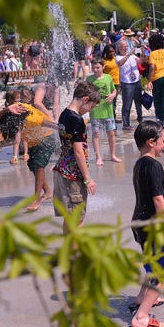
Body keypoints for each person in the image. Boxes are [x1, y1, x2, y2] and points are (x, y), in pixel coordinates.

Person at [130, 120, 164, 327]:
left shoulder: (139, 163)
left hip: (140, 222)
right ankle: (141, 317)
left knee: (153, 266)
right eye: (163, 142)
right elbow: (158, 200)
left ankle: (142, 297)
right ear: (151, 142)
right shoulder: (155, 166)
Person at [0, 88, 58, 212]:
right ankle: (48, 192)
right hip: (33, 141)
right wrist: (7, 110)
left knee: (39, 165)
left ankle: (36, 198)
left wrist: (59, 126)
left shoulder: (28, 115)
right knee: (34, 167)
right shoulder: (12, 111)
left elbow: (45, 122)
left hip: (46, 137)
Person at [52, 81, 100, 230]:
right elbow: (78, 151)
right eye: (91, 107)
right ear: (85, 99)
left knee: (70, 218)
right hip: (73, 176)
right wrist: (88, 179)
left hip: (61, 171)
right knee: (77, 221)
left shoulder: (64, 114)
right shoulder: (77, 120)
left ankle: (68, 252)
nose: (89, 111)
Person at [87, 58, 122, 166]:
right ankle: (98, 157)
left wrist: (112, 95)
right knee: (96, 133)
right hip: (95, 109)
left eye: (97, 67)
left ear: (103, 67)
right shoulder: (89, 79)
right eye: (93, 68)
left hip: (108, 108)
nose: (95, 70)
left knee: (111, 133)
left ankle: (113, 155)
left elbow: (114, 89)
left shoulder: (108, 77)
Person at [116, 39, 143, 130]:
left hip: (137, 81)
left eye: (127, 46)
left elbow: (140, 61)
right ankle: (126, 124)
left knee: (138, 102)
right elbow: (120, 63)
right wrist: (128, 54)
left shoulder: (132, 56)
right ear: (119, 48)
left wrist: (142, 52)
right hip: (127, 83)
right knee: (127, 104)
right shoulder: (118, 57)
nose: (126, 48)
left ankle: (140, 119)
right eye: (124, 46)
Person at [101, 44, 121, 120]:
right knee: (108, 101)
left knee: (114, 101)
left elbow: (118, 70)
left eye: (113, 51)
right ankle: (109, 117)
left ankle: (113, 117)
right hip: (108, 84)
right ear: (106, 52)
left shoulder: (115, 59)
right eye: (110, 52)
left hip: (116, 83)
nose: (112, 53)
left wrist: (120, 82)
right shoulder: (103, 61)